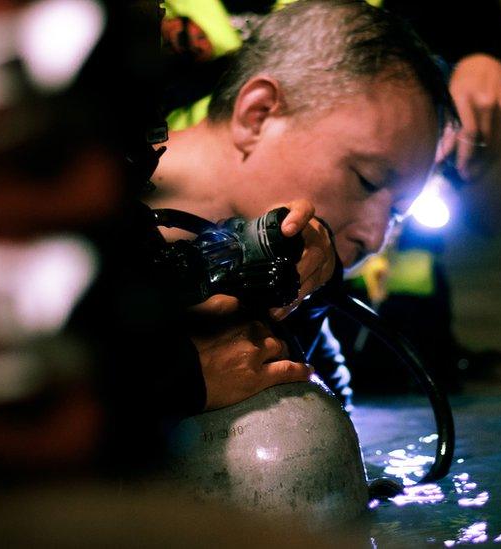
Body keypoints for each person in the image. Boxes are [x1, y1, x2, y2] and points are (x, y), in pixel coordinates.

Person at [146, 0, 454, 410]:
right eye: (366, 180)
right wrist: (169, 382)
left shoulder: (296, 302)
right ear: (258, 115)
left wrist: (303, 310)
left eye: (397, 213)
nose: (377, 237)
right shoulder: (70, 211)